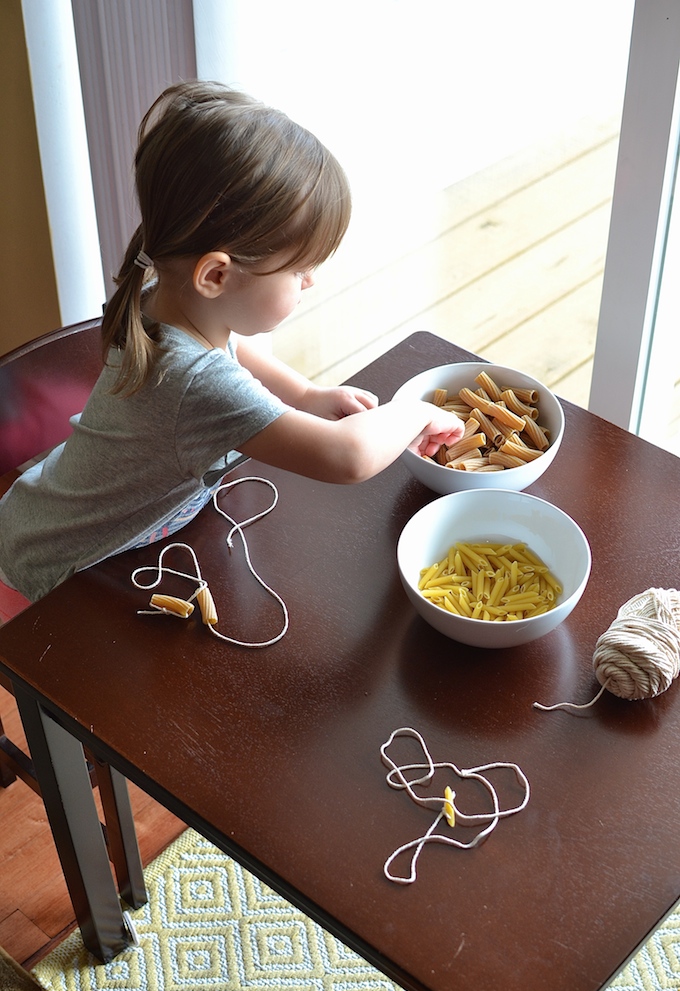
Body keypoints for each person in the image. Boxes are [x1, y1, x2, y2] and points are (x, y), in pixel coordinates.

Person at [0, 80, 463, 605]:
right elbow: (346, 456)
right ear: (216, 276)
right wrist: (415, 412)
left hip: (54, 512)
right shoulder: (195, 384)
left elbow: (231, 354)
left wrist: (306, 395)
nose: (310, 281)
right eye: (299, 269)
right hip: (65, 562)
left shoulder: (161, 291)